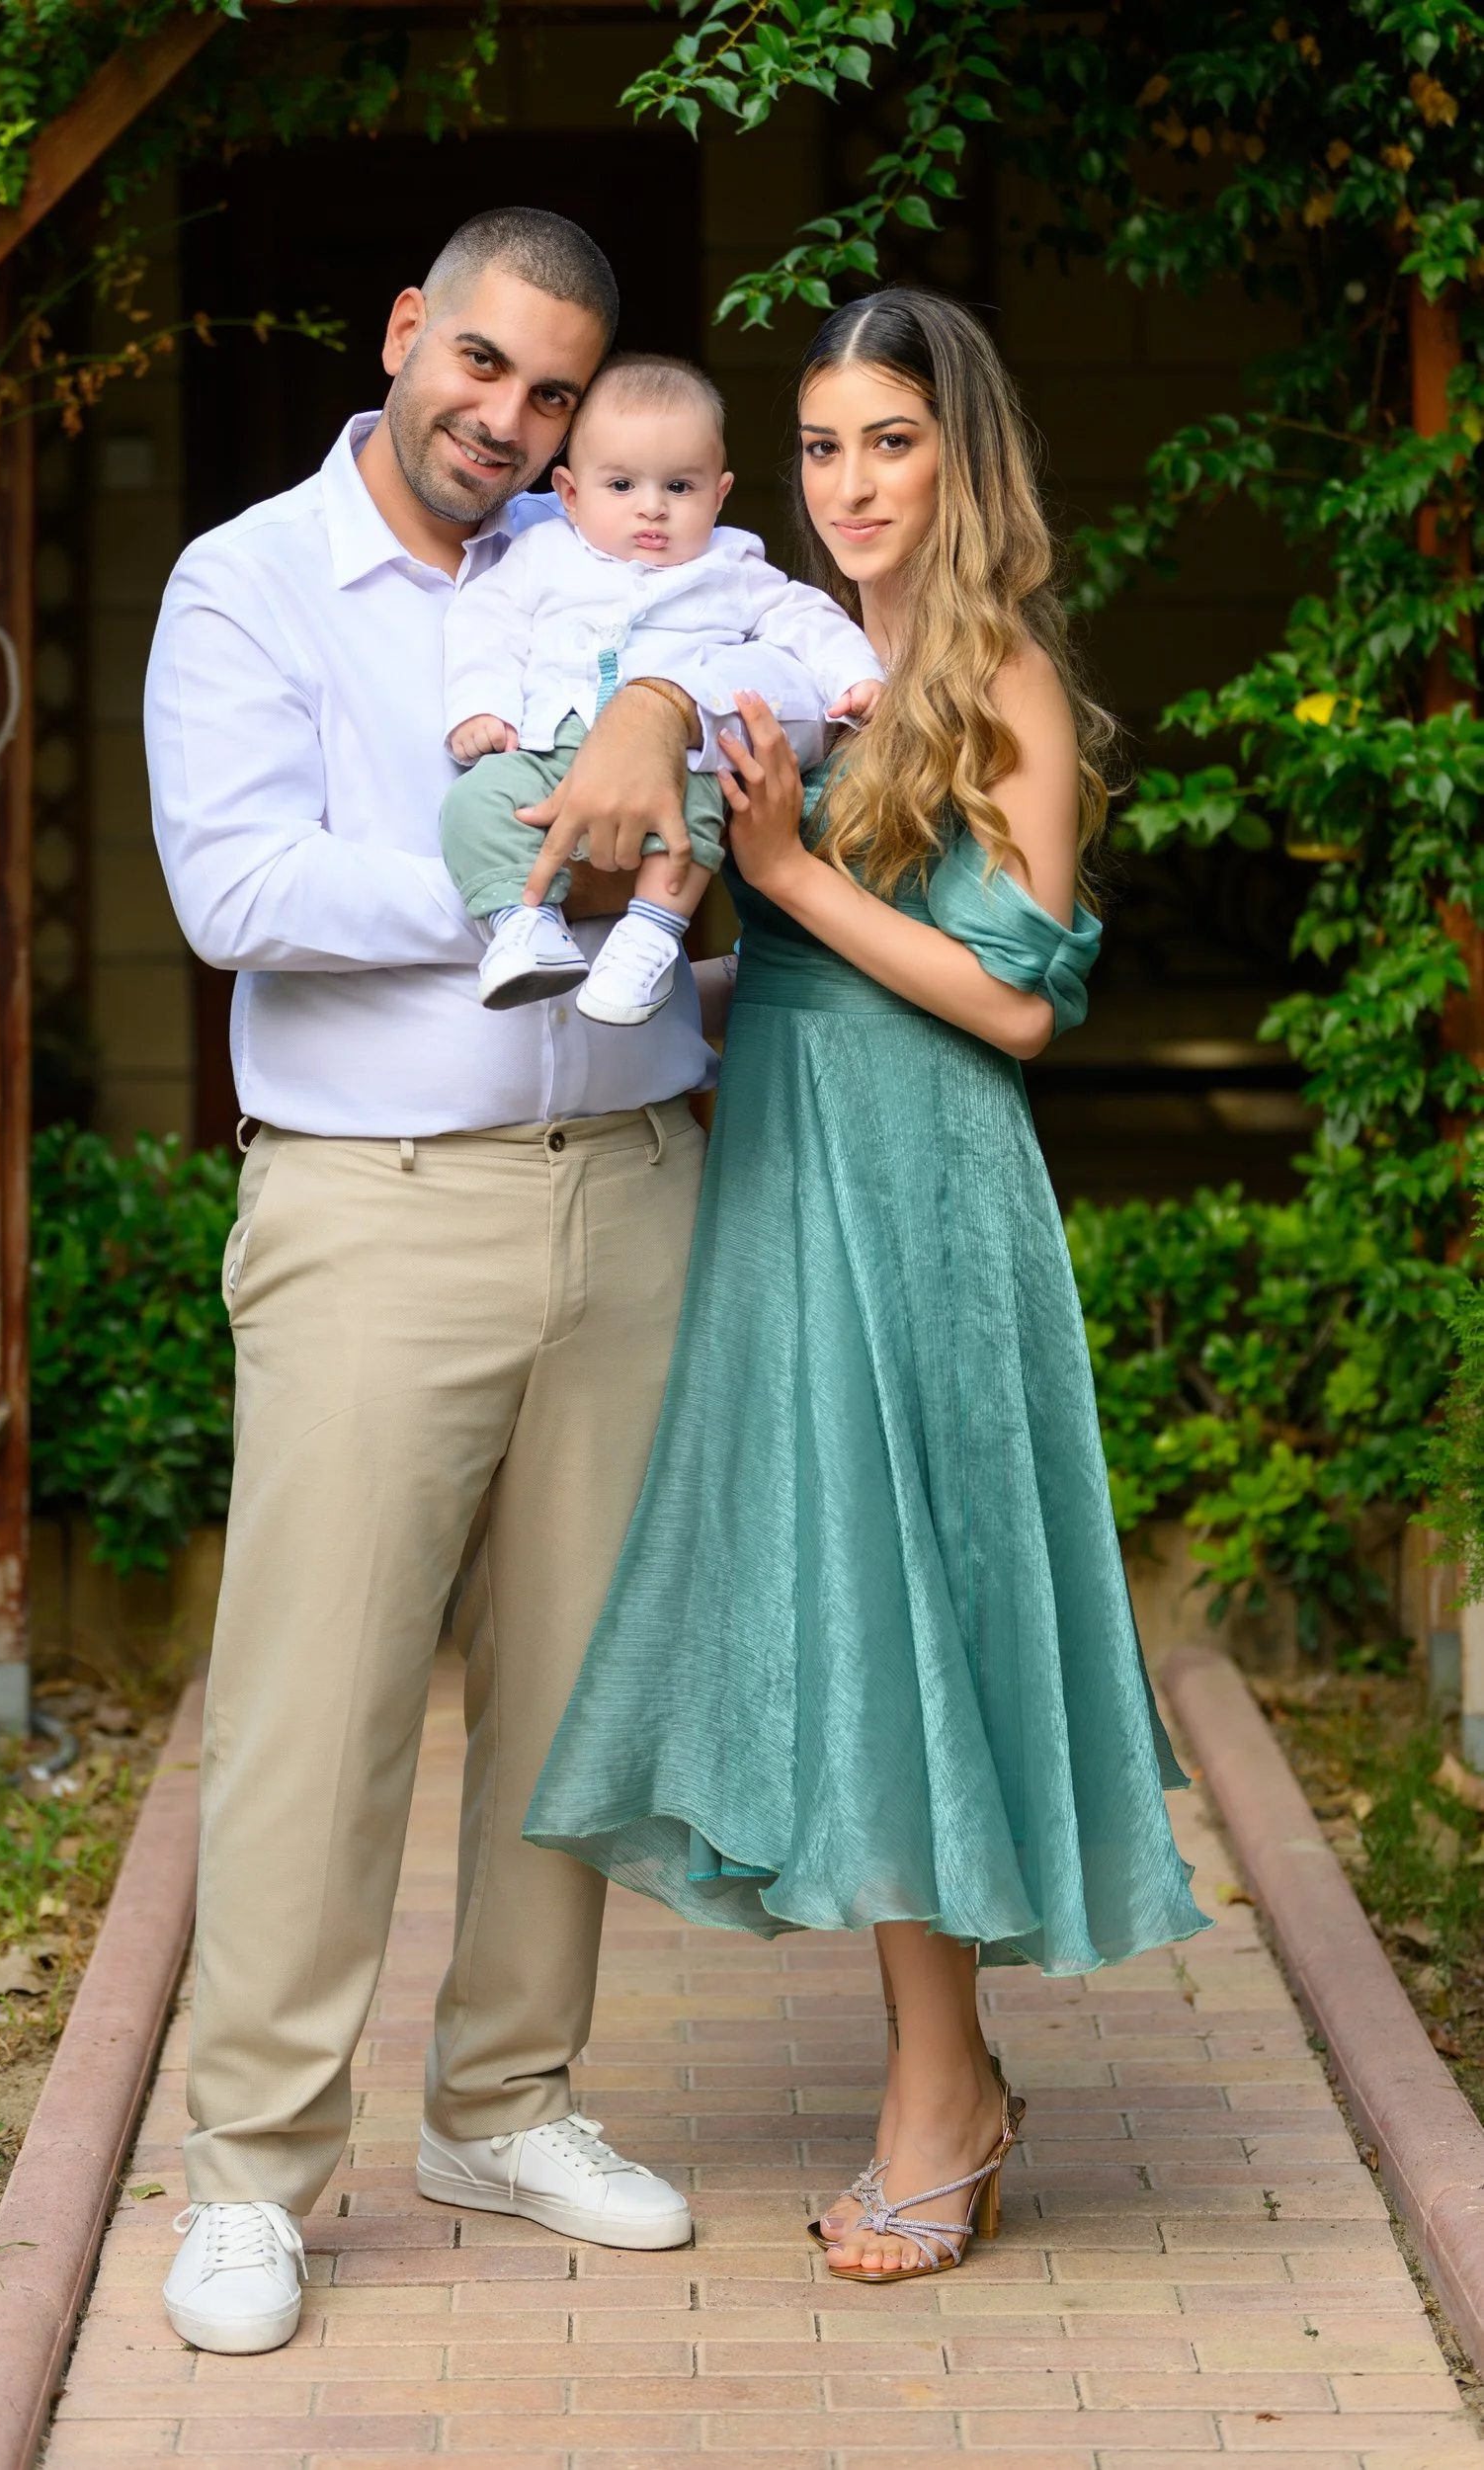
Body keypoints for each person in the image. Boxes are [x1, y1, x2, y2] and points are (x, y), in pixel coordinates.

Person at [143, 206, 832, 2356]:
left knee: (572, 1694)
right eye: (484, 367)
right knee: (316, 1704)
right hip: (375, 1205)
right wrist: (516, 869)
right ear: (403, 335)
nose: (510, 420)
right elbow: (232, 885)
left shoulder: (627, 564)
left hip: (629, 1185)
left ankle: (504, 2103)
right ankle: (253, 2172)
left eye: (553, 393)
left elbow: (779, 751)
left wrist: (692, 813)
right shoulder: (250, 579)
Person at [524, 287, 1211, 2285]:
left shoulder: (997, 674)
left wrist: (789, 876)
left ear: (957, 454)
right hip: (786, 1166)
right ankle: (949, 2079)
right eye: (820, 445)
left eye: (887, 441)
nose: (847, 482)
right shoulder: (793, 645)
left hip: (923, 1190)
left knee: (914, 1618)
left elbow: (1015, 1002)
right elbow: (774, 944)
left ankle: (941, 2097)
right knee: (842, 1615)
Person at [441, 352, 881, 1023]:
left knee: (702, 797)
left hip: (673, 761)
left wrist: (856, 675)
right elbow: (485, 622)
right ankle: (523, 924)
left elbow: (805, 618)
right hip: (548, 749)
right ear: (569, 494)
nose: (652, 508)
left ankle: (649, 934)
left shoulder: (730, 565)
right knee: (475, 801)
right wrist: (482, 706)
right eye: (621, 485)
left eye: (679, 487)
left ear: (719, 494)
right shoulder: (543, 555)